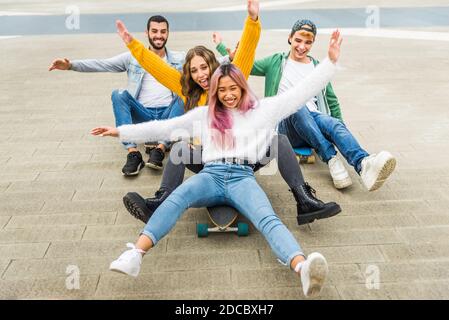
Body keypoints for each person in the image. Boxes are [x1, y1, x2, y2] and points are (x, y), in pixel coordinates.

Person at [91, 29, 343, 298]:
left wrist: (329, 62)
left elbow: (301, 92)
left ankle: (302, 267)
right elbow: (165, 127)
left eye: (233, 88)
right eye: (221, 90)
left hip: (243, 177)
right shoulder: (204, 114)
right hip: (209, 175)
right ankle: (135, 254)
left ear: (242, 86)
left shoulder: (264, 109)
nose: (228, 95)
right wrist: (122, 132)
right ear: (216, 93)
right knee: (175, 200)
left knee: (268, 219)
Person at [116, 0, 341, 226]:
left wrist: (252, 21)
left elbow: (247, 50)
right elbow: (157, 67)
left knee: (279, 141)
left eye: (204, 67)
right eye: (194, 71)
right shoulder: (187, 90)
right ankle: (159, 203)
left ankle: (304, 200)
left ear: (213, 66)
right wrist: (133, 45)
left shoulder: (230, 79)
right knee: (180, 148)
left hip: (245, 159)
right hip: (210, 161)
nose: (201, 75)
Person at [213, 19, 396, 191]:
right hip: (285, 126)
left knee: (333, 123)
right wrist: (224, 49)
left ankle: (364, 164)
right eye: (298, 40)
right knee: (296, 104)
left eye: (307, 43)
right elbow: (246, 65)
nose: (302, 46)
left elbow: (331, 100)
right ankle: (331, 158)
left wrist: (340, 132)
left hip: (313, 121)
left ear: (313, 43)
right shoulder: (276, 61)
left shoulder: (317, 66)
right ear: (290, 38)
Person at [49, 15, 185, 175]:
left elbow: (208, 63)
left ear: (168, 33)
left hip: (169, 115)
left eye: (163, 31)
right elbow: (102, 64)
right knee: (118, 94)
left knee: (186, 94)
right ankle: (133, 153)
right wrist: (71, 65)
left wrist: (222, 51)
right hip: (143, 115)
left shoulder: (179, 58)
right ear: (147, 32)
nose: (159, 35)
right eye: (154, 31)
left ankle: (160, 149)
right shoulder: (133, 57)